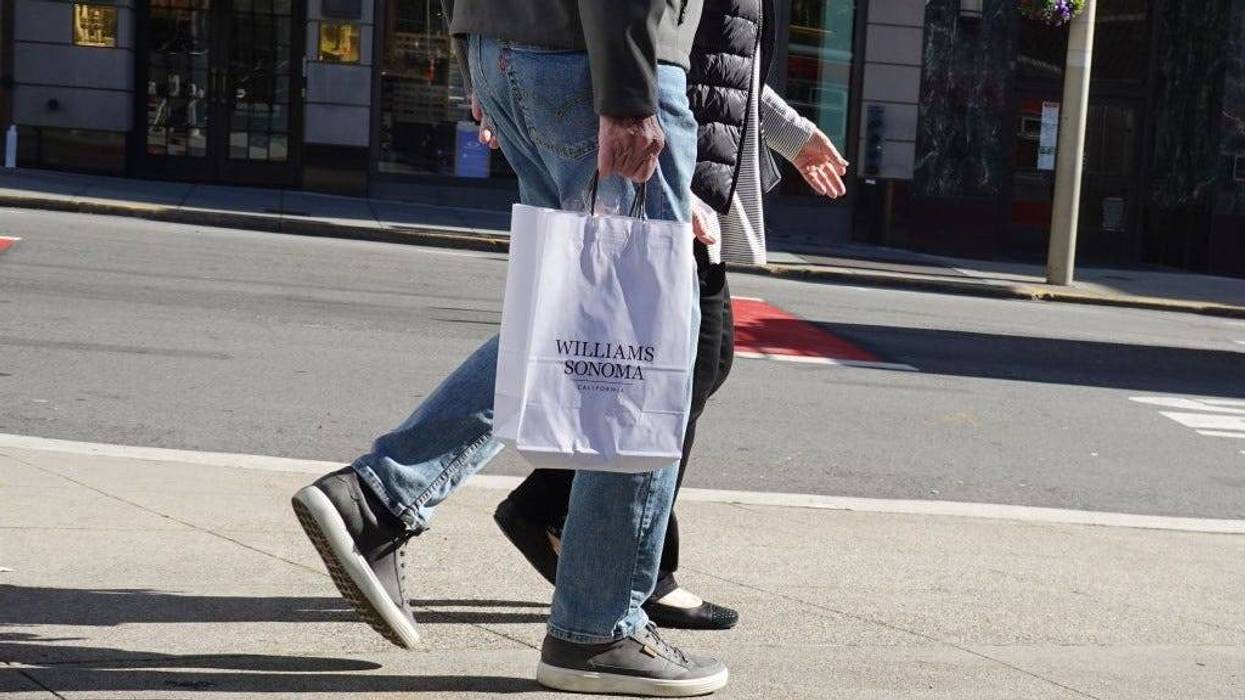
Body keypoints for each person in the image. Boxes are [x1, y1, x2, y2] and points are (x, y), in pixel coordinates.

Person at [289, 0, 731, 696]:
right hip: (604, 57)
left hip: (517, 47)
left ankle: (379, 496)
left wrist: (476, 47)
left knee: (570, 318)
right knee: (644, 338)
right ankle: (597, 629)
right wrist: (627, 96)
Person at [489, 0, 850, 631]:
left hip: (688, 169)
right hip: (670, 166)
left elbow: (725, 65)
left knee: (695, 365)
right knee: (668, 372)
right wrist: (673, 191)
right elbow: (668, 52)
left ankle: (556, 511)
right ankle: (625, 568)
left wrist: (790, 135)